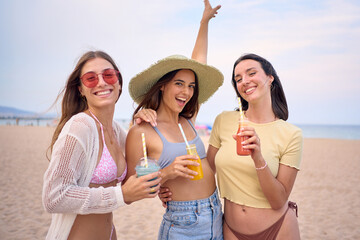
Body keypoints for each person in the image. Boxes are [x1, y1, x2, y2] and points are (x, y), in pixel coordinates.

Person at [161, 1, 303, 239]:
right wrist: (168, 186)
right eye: (238, 78)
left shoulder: (291, 134)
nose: (244, 80)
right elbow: (207, 170)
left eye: (251, 73)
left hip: (278, 228)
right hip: (229, 229)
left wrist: (258, 156)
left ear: (270, 78)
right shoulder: (225, 121)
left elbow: (279, 199)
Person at [125, 3, 224, 239]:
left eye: (191, 86)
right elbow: (129, 190)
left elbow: (199, 61)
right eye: (179, 83)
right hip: (183, 224)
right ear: (163, 85)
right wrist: (167, 173)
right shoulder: (142, 131)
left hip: (216, 213)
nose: (186, 92)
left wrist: (204, 23)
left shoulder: (188, 119)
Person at [42, 50, 161, 240]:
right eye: (90, 78)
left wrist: (140, 125)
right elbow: (54, 197)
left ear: (119, 82)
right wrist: (120, 195)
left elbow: (132, 181)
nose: (102, 82)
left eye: (108, 75)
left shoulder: (117, 130)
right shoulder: (79, 126)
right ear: (80, 89)